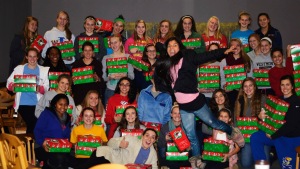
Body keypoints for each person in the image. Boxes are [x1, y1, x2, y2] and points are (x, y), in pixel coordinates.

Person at [153, 37, 243, 157]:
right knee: (191, 136)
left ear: (180, 47)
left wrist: (223, 51)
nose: (171, 48)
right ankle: (196, 160)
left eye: (175, 45)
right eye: (169, 46)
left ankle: (234, 132)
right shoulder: (168, 62)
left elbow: (205, 56)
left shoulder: (188, 57)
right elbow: (162, 50)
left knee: (214, 123)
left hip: (196, 103)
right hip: (183, 106)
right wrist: (158, 45)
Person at [251, 75, 300, 168]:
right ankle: (262, 167)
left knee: (287, 166)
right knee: (255, 137)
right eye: (282, 85)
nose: (285, 87)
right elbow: (269, 118)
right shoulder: (278, 99)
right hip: (277, 136)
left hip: (290, 139)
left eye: (287, 85)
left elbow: (291, 125)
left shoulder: (297, 101)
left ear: (292, 86)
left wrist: (273, 135)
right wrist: (261, 116)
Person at [6, 48, 49, 134]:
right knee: (32, 123)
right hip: (23, 103)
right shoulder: (19, 69)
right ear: (26, 57)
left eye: (34, 56)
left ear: (37, 57)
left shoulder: (43, 70)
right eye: (30, 56)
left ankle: (30, 144)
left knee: (35, 124)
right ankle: (30, 144)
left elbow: (46, 88)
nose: (32, 59)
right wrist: (13, 86)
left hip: (38, 103)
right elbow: (9, 83)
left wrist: (39, 88)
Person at [77, 128, 158, 169]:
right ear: (142, 136)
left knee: (78, 164)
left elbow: (154, 167)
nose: (149, 139)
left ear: (154, 140)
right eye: (147, 135)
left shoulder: (153, 154)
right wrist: (119, 144)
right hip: (105, 157)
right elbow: (110, 142)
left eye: (152, 137)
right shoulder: (131, 139)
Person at [234, 77, 269, 168]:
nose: (248, 88)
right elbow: (235, 120)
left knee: (264, 162)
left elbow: (268, 119)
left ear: (254, 87)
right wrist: (236, 136)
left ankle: (272, 155)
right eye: (245, 86)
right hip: (246, 136)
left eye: (250, 86)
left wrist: (261, 118)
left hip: (260, 134)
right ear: (242, 88)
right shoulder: (239, 100)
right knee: (245, 164)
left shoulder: (263, 98)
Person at [34, 94, 72, 169]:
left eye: (65, 105)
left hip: (60, 148)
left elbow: (67, 136)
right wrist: (43, 143)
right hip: (43, 146)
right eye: (60, 104)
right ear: (55, 104)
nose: (63, 107)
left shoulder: (68, 118)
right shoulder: (46, 113)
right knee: (60, 158)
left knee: (69, 158)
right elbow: (37, 130)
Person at [219, 38, 251, 110]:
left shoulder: (247, 60)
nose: (235, 47)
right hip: (229, 94)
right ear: (229, 48)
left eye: (237, 45)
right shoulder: (224, 61)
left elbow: (250, 77)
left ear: (241, 47)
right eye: (232, 46)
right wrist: (224, 86)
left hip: (244, 93)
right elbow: (222, 78)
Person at [101, 35, 134, 104]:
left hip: (125, 91)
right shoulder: (106, 58)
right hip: (110, 90)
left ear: (120, 43)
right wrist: (110, 77)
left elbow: (132, 76)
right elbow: (104, 77)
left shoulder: (127, 57)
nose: (113, 45)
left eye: (115, 42)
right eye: (111, 43)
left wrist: (125, 76)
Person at [157, 103, 191, 169]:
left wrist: (189, 146)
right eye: (175, 113)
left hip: (183, 156)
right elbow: (160, 145)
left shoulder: (187, 126)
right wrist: (165, 140)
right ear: (171, 114)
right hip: (169, 156)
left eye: (179, 113)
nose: (177, 115)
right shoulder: (165, 127)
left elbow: (192, 143)